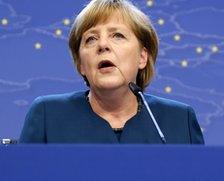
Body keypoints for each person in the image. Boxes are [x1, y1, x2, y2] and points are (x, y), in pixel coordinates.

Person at [19, 0, 204, 144]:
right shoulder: (48, 116)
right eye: (91, 39)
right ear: (81, 64)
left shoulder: (180, 121)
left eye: (117, 35)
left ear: (142, 57)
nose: (102, 45)